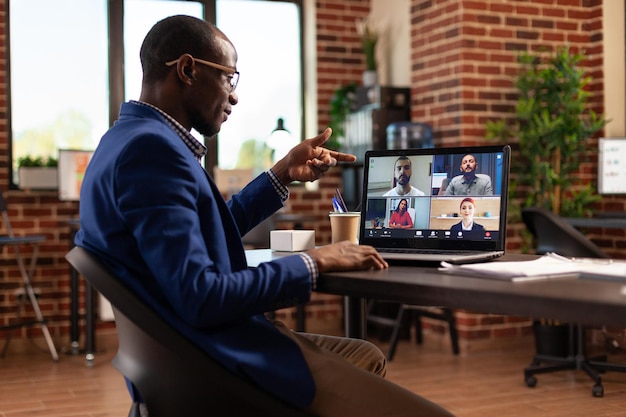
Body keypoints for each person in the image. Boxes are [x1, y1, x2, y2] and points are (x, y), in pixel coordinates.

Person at [75, 15, 453, 417]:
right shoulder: (152, 152)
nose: (234, 96)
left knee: (364, 354)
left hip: (187, 353)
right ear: (187, 70)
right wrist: (313, 261)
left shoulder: (126, 140)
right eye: (229, 77)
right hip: (214, 363)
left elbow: (210, 232)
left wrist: (281, 173)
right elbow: (202, 297)